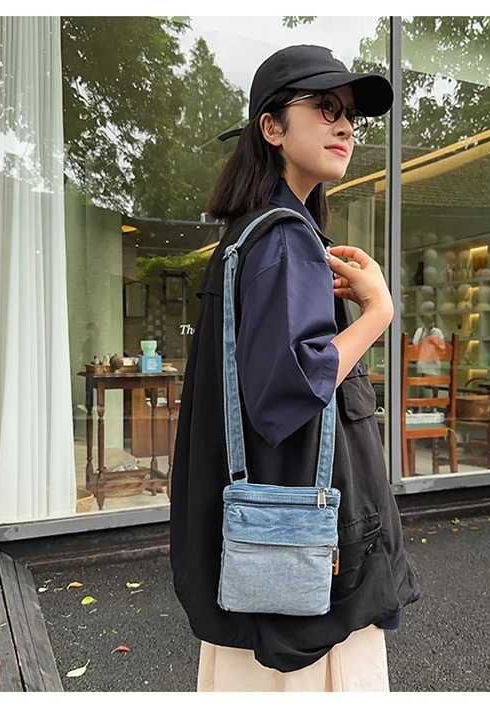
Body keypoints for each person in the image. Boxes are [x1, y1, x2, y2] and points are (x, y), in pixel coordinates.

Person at [170, 44, 421, 692]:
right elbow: (289, 389)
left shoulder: (251, 236)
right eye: (326, 108)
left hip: (272, 544)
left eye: (350, 115)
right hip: (309, 560)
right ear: (272, 127)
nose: (346, 127)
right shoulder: (283, 239)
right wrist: (378, 312)